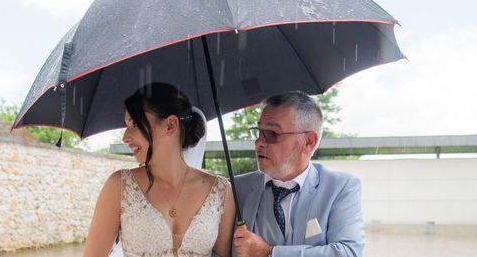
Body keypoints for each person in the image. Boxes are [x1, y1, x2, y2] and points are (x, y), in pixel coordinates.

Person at [84, 83, 236, 257]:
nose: (125, 137)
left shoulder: (221, 192)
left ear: (170, 125)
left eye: (134, 124)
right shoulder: (119, 186)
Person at [233, 91, 364, 257]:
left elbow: (348, 252)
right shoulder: (235, 189)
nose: (259, 142)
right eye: (259, 131)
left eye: (272, 134)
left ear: (309, 142)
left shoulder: (340, 187)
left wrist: (269, 253)